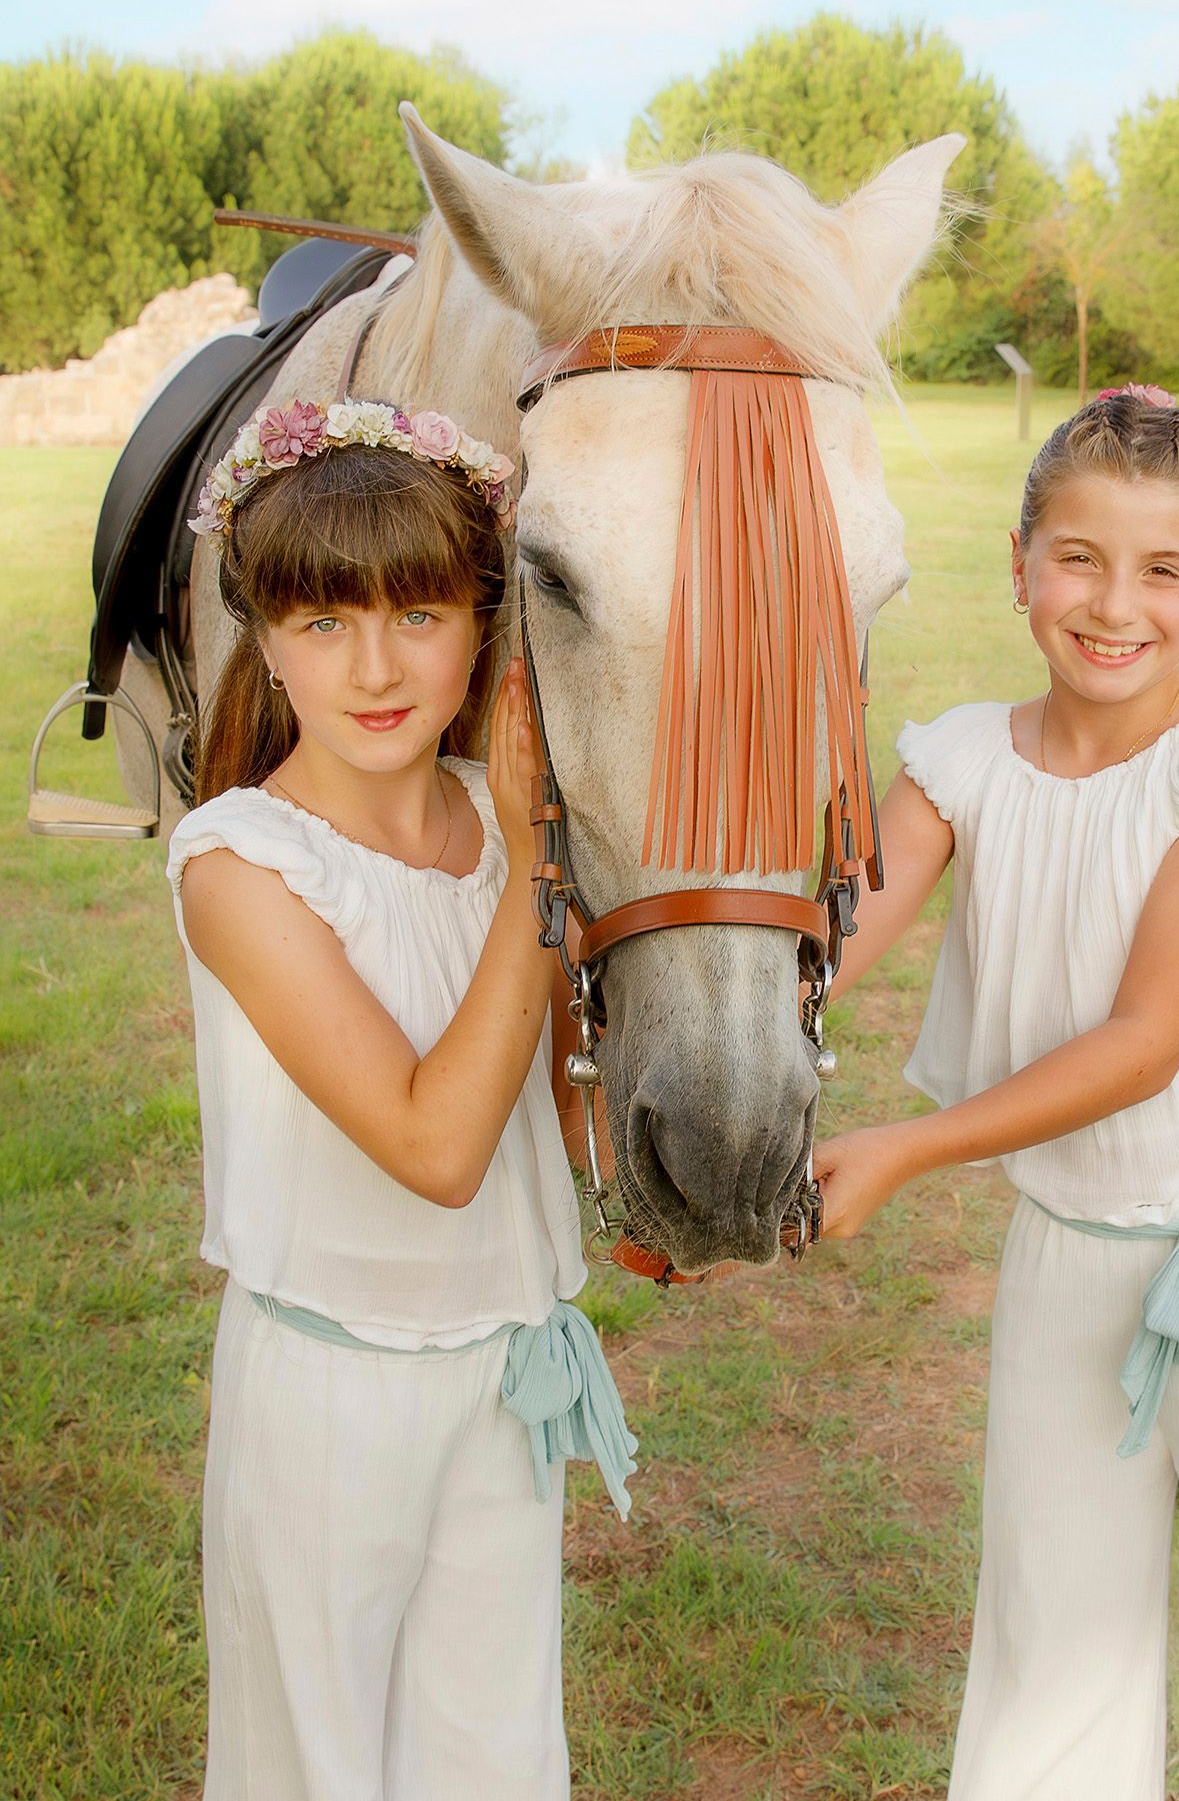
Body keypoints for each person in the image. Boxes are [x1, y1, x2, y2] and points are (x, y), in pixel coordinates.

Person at [813, 386, 1179, 1801]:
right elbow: (819, 953)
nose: (1115, 604)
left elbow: (1144, 1043)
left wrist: (906, 1148)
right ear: (1017, 564)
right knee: (1052, 1656)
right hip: (1069, 1250)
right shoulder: (959, 766)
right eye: (1078, 557)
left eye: (1161, 569)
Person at [167, 395, 635, 1801]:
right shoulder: (241, 864)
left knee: (490, 1754)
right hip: (331, 1390)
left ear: (484, 624)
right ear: (265, 636)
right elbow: (436, 1146)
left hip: (505, 1371)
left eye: (420, 616)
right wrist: (534, 859)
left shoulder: (489, 825)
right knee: (317, 1764)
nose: (376, 666)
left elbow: (559, 1106)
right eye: (324, 625)